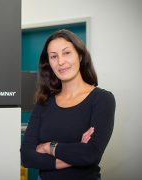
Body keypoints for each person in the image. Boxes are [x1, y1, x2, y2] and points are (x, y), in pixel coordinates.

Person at [20, 29, 115, 180]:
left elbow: (91, 154)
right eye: (53, 56)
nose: (60, 62)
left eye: (67, 53)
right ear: (49, 63)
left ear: (80, 55)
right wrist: (75, 154)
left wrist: (47, 147)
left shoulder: (102, 99)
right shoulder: (44, 102)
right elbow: (26, 156)